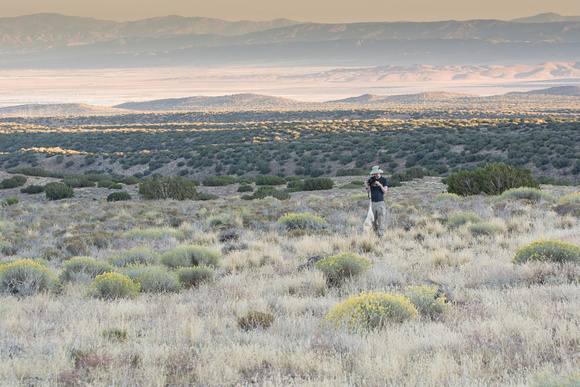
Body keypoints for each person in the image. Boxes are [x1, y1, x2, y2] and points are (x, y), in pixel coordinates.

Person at [365, 165, 388, 237]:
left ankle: (380, 235)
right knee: (373, 220)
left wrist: (380, 185)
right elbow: (368, 191)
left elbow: (385, 192)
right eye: (375, 173)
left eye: (377, 173)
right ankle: (375, 234)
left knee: (381, 220)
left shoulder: (384, 180)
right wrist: (368, 185)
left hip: (380, 202)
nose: (376, 175)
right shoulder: (371, 180)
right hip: (373, 203)